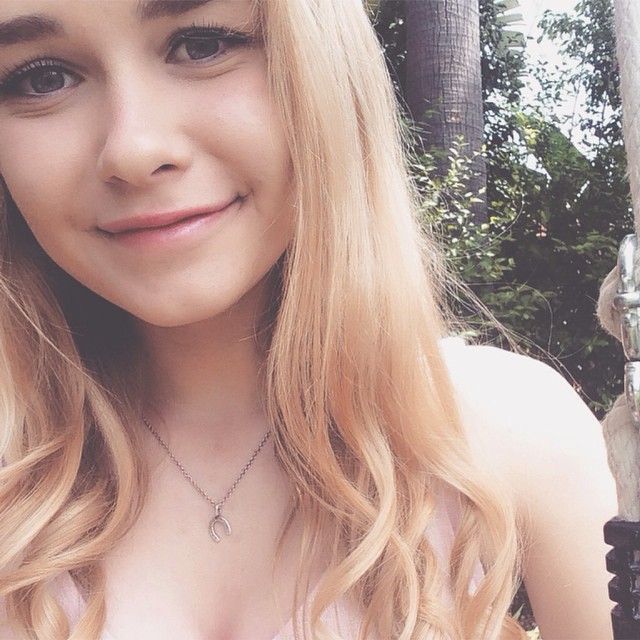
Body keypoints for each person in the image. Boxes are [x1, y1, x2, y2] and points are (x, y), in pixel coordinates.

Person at [0, 1, 616, 639]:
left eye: (202, 45)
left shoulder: (513, 431)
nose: (133, 149)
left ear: (323, 68)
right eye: (42, 78)